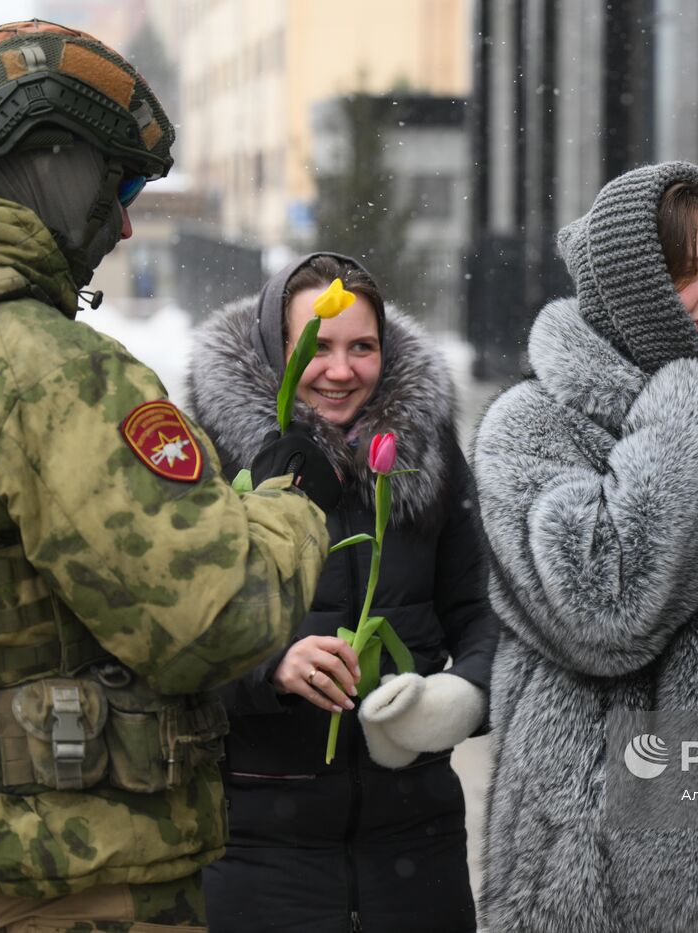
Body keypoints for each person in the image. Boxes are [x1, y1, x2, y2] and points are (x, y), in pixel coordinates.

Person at [0, 21, 340, 933]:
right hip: (66, 883)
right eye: (123, 183)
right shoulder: (46, 368)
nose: (129, 218)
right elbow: (215, 615)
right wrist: (283, 510)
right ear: (52, 165)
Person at [473, 161, 698, 932]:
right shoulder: (533, 426)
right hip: (600, 879)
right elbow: (607, 603)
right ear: (631, 288)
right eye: (688, 271)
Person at [186, 252, 498, 933]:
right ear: (277, 348)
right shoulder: (213, 462)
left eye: (363, 347)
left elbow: (484, 611)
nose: (341, 369)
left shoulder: (426, 453)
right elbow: (170, 636)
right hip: (261, 851)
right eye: (317, 346)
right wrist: (272, 666)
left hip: (418, 845)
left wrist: (462, 696)